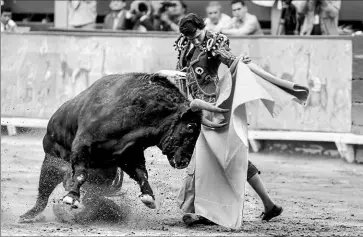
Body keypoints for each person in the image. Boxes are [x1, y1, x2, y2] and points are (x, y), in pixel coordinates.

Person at [174, 13, 283, 227]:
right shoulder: (185, 45)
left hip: (215, 106)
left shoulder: (214, 41)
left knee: (222, 157)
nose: (195, 40)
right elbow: (183, 74)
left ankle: (202, 210)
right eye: (190, 38)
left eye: (197, 35)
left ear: (202, 26)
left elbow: (231, 61)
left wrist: (240, 62)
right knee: (219, 157)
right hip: (196, 109)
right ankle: (268, 205)